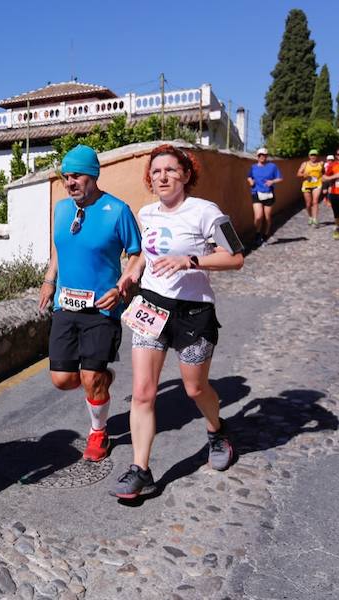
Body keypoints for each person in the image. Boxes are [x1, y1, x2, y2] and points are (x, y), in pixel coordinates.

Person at [111, 144, 244, 500]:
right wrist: (130, 275)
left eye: (171, 170)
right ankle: (141, 470)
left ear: (186, 174)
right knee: (142, 392)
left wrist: (191, 261)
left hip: (193, 313)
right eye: (156, 172)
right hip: (152, 308)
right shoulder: (147, 213)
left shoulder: (206, 212)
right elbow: (144, 257)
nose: (163, 176)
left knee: (195, 389)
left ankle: (217, 430)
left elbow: (236, 257)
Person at [38, 144, 143, 462]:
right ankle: (103, 379)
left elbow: (136, 253)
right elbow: (60, 248)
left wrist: (123, 285)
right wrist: (48, 279)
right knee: (62, 379)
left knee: (90, 378)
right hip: (64, 306)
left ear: (93, 176)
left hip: (102, 308)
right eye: (66, 176)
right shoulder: (62, 209)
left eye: (77, 176)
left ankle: (99, 432)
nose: (70, 182)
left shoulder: (118, 210)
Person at [246, 148, 283, 245]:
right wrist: (250, 181)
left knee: (267, 217)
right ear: (257, 157)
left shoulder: (272, 166)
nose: (262, 157)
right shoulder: (253, 167)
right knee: (258, 216)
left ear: (267, 156)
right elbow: (249, 176)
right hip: (256, 193)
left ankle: (265, 235)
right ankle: (257, 234)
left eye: (264, 155)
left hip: (268, 193)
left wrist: (272, 181)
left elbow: (280, 178)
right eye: (260, 155)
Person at [296, 149, 324, 226]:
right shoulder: (305, 164)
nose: (313, 157)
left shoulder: (321, 164)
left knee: (315, 202)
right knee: (308, 204)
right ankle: (310, 217)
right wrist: (304, 175)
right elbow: (298, 174)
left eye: (315, 155)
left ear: (317, 156)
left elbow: (323, 173)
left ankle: (315, 219)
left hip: (317, 184)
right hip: (307, 185)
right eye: (312, 155)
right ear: (309, 156)